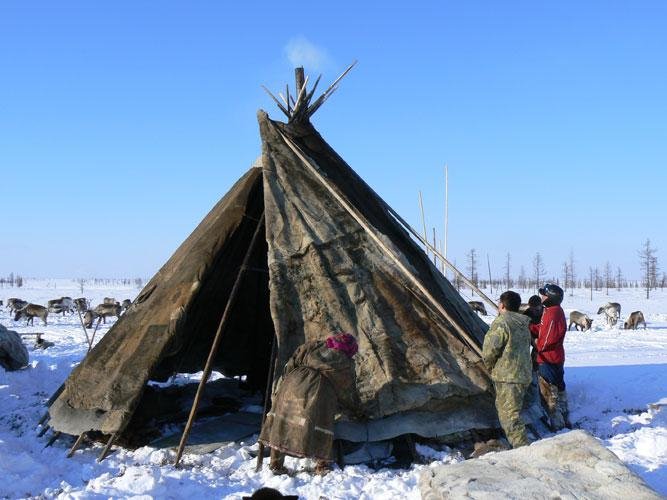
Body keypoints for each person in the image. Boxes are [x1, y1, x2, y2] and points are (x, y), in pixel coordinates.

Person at [258, 332, 362, 476]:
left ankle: (275, 464)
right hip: (320, 392)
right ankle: (322, 465)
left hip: (293, 383)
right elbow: (345, 390)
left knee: (282, 422)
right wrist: (353, 407)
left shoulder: (314, 345)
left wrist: (287, 381)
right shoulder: (345, 363)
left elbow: (293, 361)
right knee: (320, 426)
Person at [482, 290, 532, 448]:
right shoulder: (523, 323)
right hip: (522, 374)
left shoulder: (502, 322)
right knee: (513, 413)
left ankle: (523, 450)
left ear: (502, 305)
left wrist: (490, 366)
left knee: (510, 417)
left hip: (508, 376)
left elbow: (490, 349)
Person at [530, 283, 570, 430]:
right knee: (559, 387)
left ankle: (558, 425)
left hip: (548, 358)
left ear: (550, 298)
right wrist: (530, 326)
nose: (541, 297)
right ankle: (565, 418)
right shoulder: (552, 311)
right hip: (556, 356)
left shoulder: (552, 313)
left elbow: (545, 340)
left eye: (544, 295)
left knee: (549, 392)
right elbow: (543, 329)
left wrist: (534, 342)